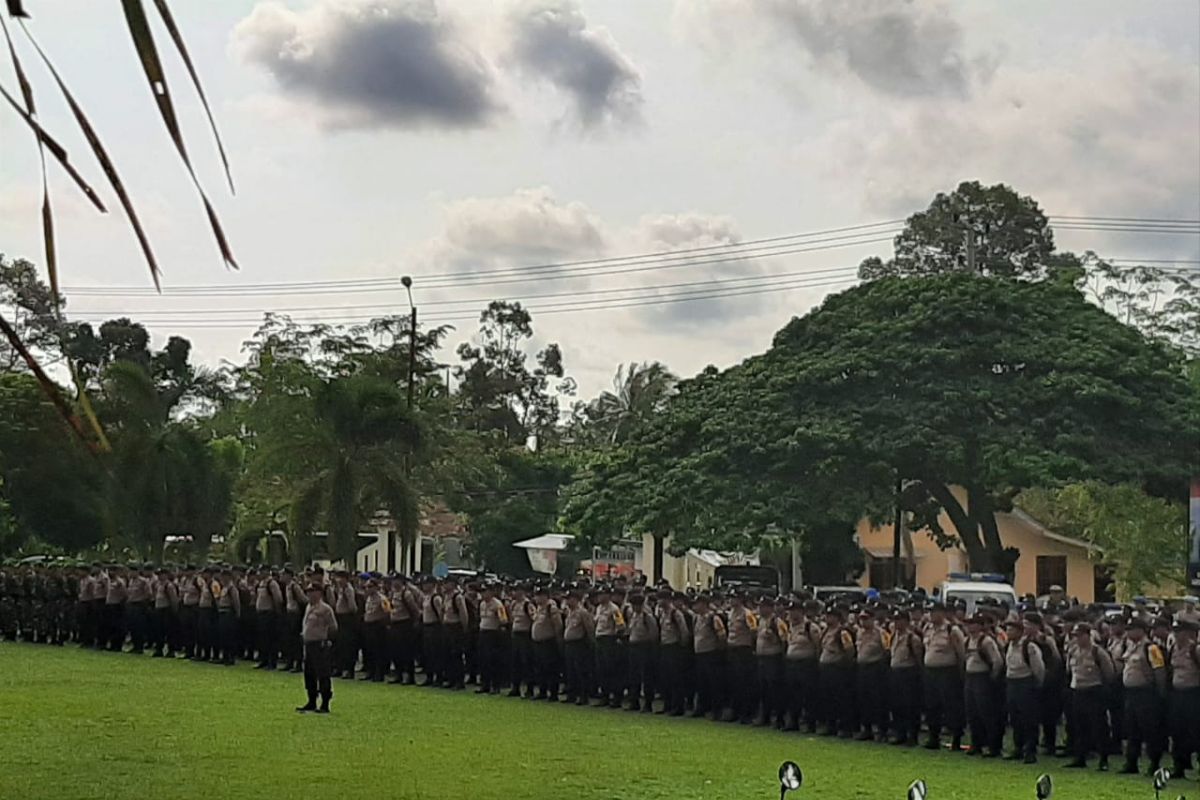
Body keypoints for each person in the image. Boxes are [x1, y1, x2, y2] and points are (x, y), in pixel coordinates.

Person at [1120, 617, 1168, 775]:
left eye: (1131, 629)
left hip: (1146, 694)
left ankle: (1154, 763)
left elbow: (1159, 671)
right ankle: (1131, 762)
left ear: (1141, 630)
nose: (1128, 632)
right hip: (1131, 694)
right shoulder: (1130, 646)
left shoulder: (1151, 648)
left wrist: (1160, 694)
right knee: (1132, 730)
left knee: (1149, 730)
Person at [1064, 621, 1114, 771]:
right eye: (1075, 636)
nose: (1077, 639)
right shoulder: (1072, 651)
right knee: (1079, 726)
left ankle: (1103, 758)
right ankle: (1080, 757)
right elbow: (1069, 670)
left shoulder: (1097, 652)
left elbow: (1109, 672)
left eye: (1080, 636)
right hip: (1077, 690)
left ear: (1088, 635)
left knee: (1099, 726)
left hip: (1094, 691)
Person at [923, 602, 966, 752]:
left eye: (934, 612)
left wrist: (960, 673)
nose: (932, 615)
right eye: (930, 612)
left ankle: (956, 738)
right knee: (931, 705)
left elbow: (961, 653)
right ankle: (933, 737)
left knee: (951, 706)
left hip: (947, 672)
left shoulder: (952, 630)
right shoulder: (927, 629)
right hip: (931, 672)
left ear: (942, 613)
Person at [1004, 615, 1046, 764]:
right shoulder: (1009, 646)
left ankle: (1030, 750)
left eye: (1011, 629)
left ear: (1019, 631)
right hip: (1012, 683)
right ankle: (1018, 747)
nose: (1008, 632)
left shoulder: (1029, 646)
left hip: (1025, 683)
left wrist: (1036, 684)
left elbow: (1039, 668)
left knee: (1029, 719)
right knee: (1015, 718)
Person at [962, 614, 1003, 757]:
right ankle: (976, 744)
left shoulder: (986, 641)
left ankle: (993, 746)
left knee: (986, 714)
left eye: (973, 624)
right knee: (972, 713)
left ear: (980, 625)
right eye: (968, 624)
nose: (969, 627)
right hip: (970, 677)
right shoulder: (967, 641)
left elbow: (997, 661)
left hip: (983, 677)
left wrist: (992, 678)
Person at [297, 583, 338, 714]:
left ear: (319, 593)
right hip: (308, 644)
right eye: (308, 591)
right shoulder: (308, 607)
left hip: (320, 645)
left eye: (312, 591)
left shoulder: (325, 609)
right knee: (309, 674)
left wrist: (327, 640)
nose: (309, 594)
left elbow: (333, 627)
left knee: (323, 674)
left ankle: (325, 703)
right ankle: (311, 700)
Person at [1168, 619, 1200, 778]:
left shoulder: (1195, 650)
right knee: (1177, 731)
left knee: (1196, 731)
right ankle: (1179, 765)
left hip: (1193, 694)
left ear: (1187, 633)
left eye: (1179, 631)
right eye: (1175, 631)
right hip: (1178, 694)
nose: (1176, 634)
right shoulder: (1173, 648)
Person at [888, 609, 924, 746]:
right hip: (895, 672)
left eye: (899, 620)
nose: (896, 623)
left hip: (908, 673)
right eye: (895, 620)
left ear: (906, 621)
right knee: (897, 705)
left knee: (910, 706)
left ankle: (912, 735)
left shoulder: (912, 638)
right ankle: (900, 733)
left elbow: (918, 658)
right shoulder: (894, 636)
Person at [477, 582, 509, 695]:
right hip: (483, 633)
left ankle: (495, 685)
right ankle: (484, 684)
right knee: (483, 660)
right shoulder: (482, 604)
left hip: (493, 634)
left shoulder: (497, 604)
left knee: (493, 660)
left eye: (485, 591)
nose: (483, 594)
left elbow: (504, 620)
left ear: (491, 592)